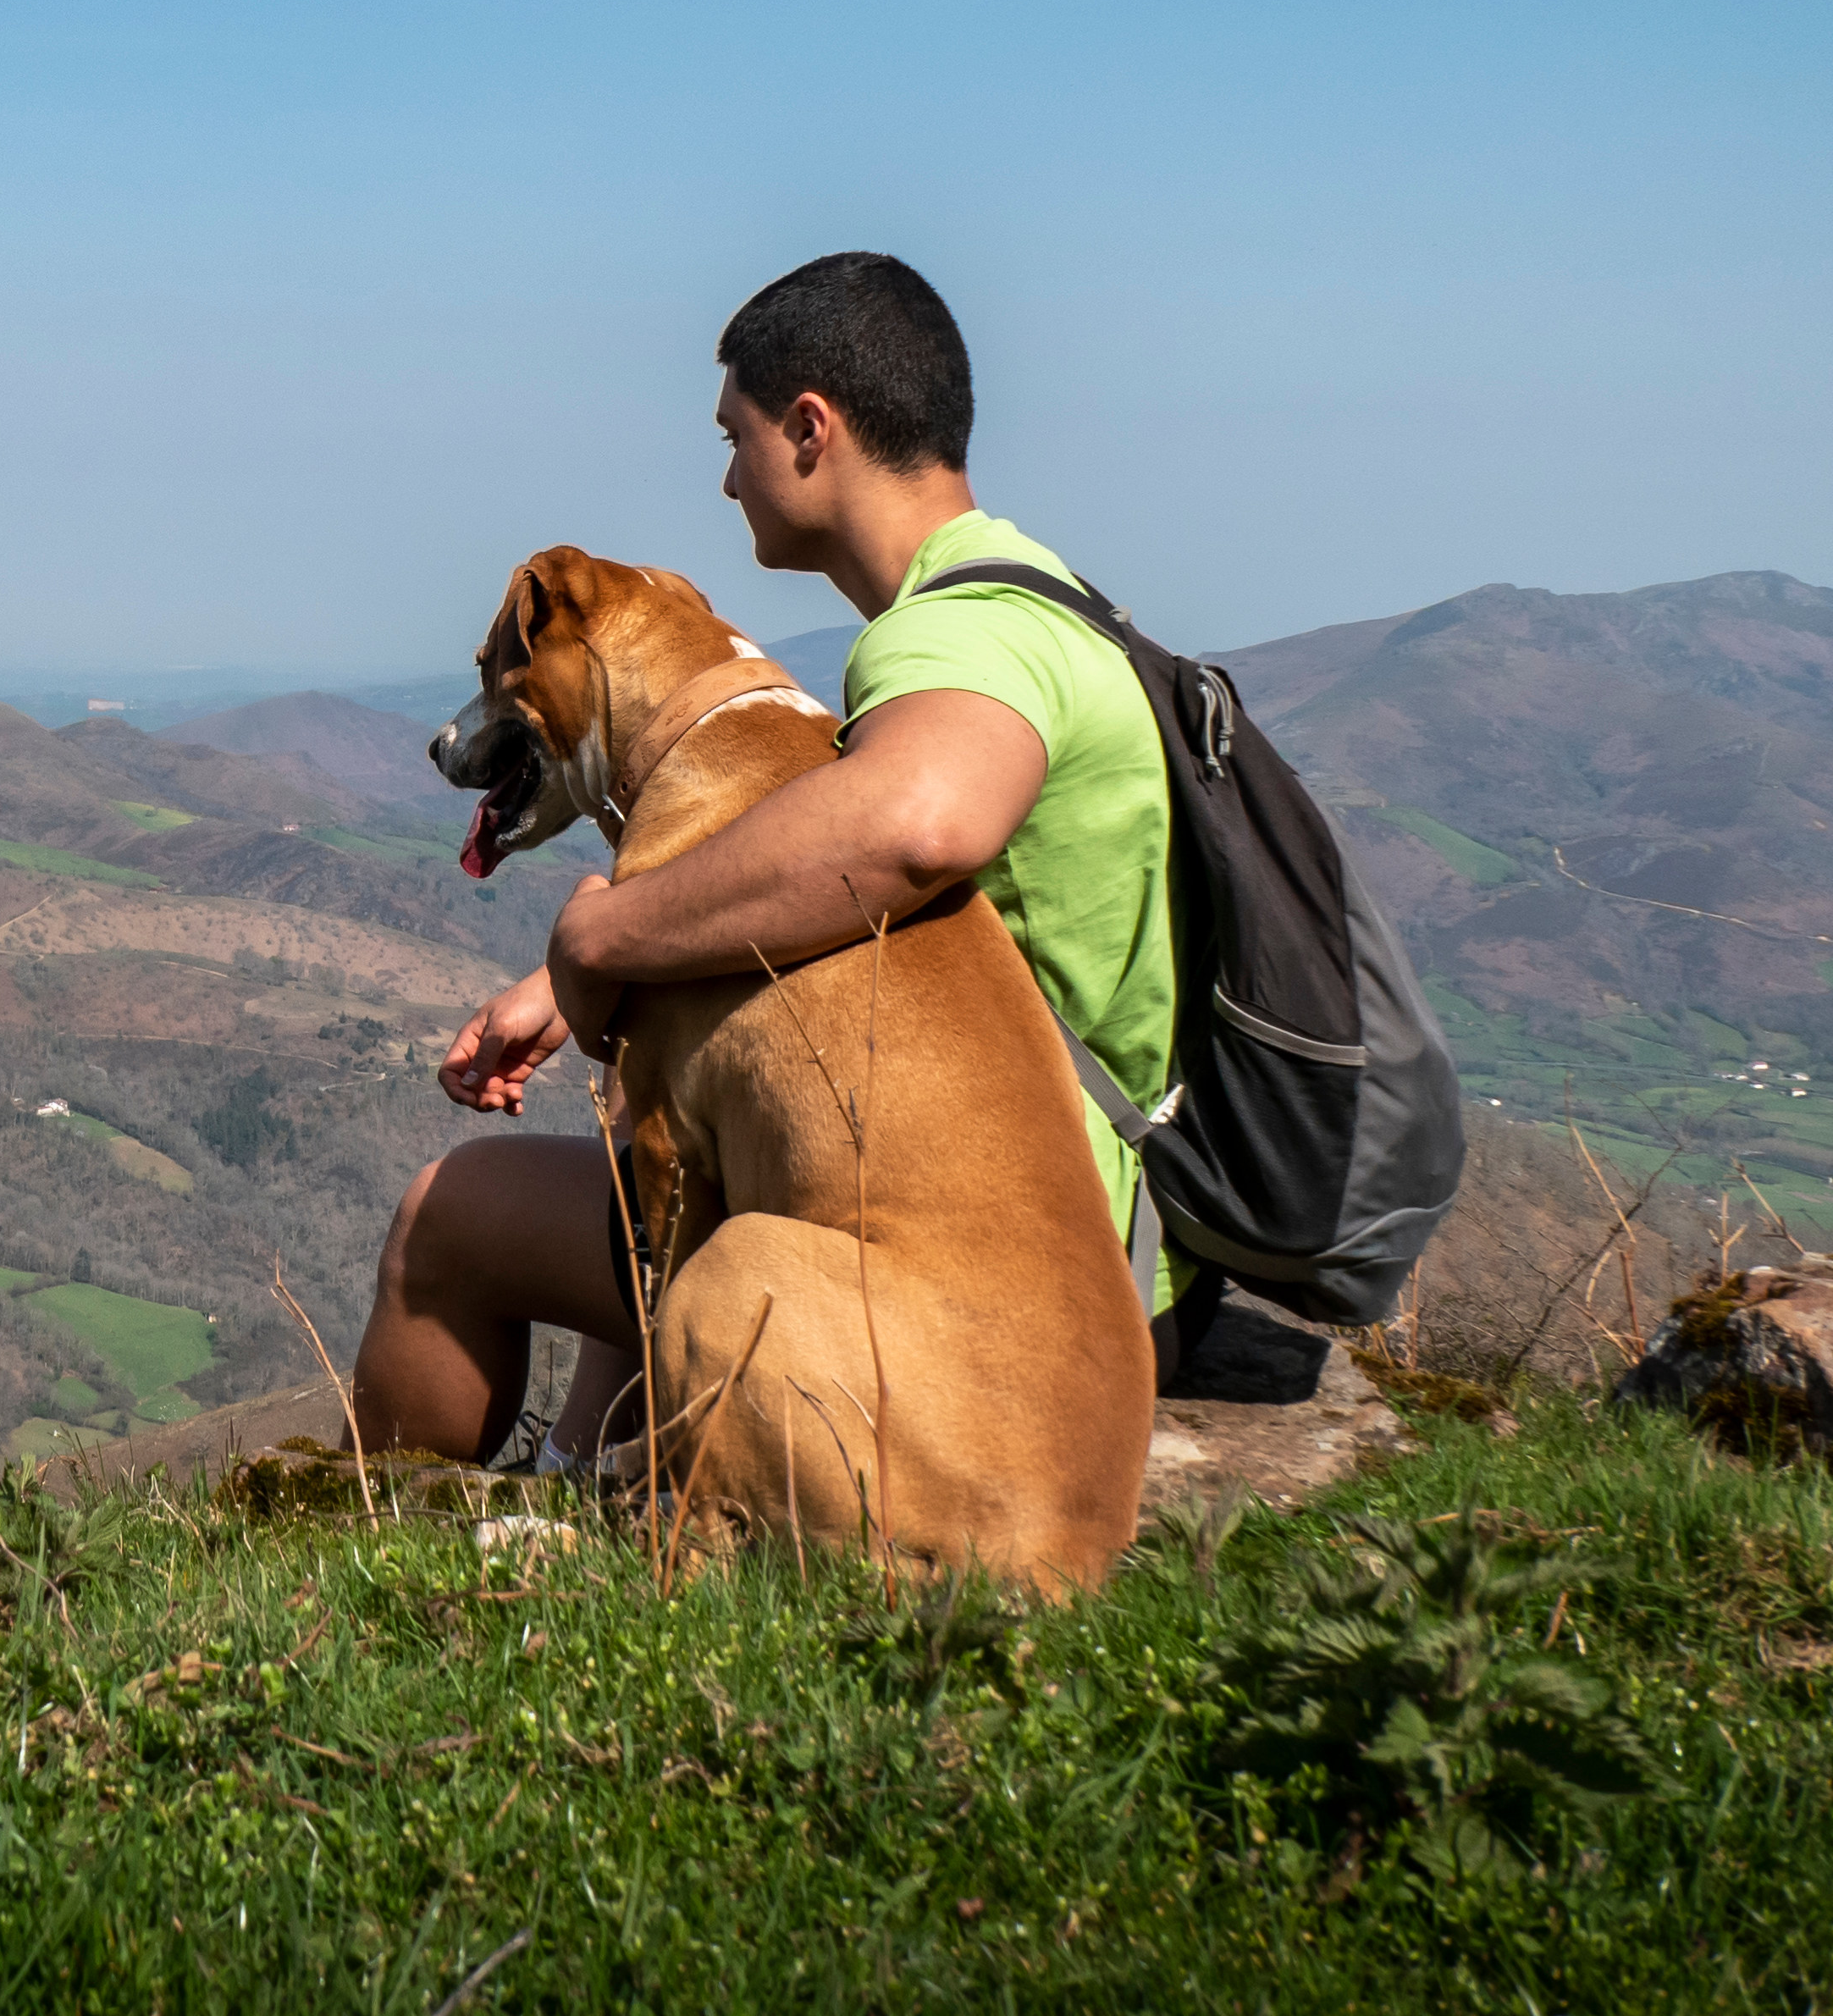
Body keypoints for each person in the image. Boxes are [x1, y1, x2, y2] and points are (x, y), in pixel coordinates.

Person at [346, 249, 1197, 1470]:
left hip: (983, 1265)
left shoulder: (960, 638)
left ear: (811, 430)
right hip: (999, 1216)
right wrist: (574, 993)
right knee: (656, 1153)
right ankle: (587, 1492)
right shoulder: (1043, 599)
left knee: (449, 1219)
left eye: (736, 436)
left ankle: (377, 1540)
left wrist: (598, 939)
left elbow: (917, 829)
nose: (729, 476)